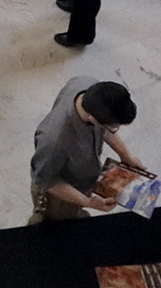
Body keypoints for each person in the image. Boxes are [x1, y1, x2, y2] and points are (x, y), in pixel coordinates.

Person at [29, 78, 146, 221]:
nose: (115, 130)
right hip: (60, 196)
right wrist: (89, 202)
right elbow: (47, 181)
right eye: (114, 127)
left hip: (82, 175)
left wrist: (126, 156)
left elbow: (104, 129)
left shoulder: (88, 86)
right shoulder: (54, 141)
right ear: (91, 117)